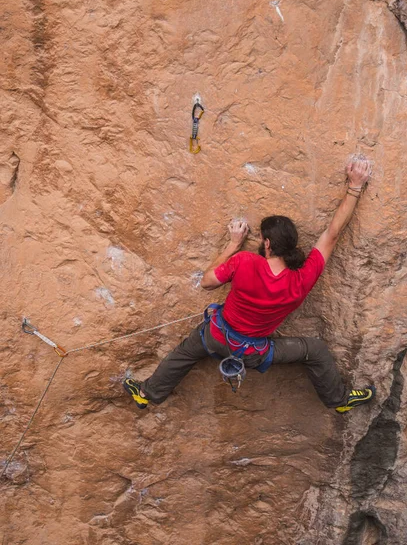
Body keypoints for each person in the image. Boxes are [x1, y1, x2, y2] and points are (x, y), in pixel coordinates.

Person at [124, 158, 375, 414]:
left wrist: (233, 244)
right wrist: (355, 186)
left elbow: (207, 282)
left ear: (267, 243)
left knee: (186, 351)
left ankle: (146, 393)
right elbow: (332, 234)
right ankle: (339, 401)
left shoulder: (245, 261)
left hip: (216, 337)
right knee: (317, 350)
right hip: (255, 353)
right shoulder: (301, 279)